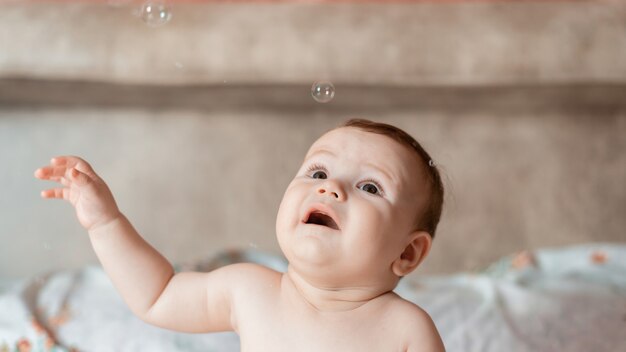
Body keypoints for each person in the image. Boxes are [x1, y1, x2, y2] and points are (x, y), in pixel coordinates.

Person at [34, 118, 446, 351]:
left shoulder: (405, 330)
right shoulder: (250, 291)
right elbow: (156, 296)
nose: (330, 187)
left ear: (408, 253)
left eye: (370, 187)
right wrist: (106, 222)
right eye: (318, 172)